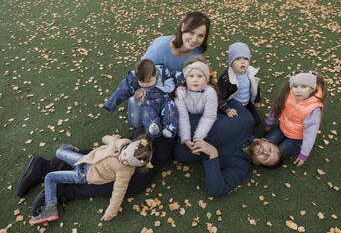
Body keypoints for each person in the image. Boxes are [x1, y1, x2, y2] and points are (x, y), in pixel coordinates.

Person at [16, 135, 176, 216]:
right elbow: (109, 140)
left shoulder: (125, 171)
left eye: (127, 161)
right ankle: (48, 170)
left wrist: (110, 212)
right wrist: (113, 141)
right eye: (125, 155)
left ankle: (56, 185)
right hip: (88, 162)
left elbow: (118, 192)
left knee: (132, 182)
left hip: (88, 174)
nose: (122, 159)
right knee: (67, 153)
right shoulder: (123, 145)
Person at [173, 101, 283, 197]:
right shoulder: (247, 120)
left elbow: (216, 190)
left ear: (257, 162)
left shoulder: (240, 167)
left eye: (266, 158)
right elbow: (224, 97)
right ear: (265, 140)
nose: (265, 152)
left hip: (172, 142)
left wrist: (213, 154)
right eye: (270, 150)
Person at [128, 11, 211, 129]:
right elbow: (140, 73)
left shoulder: (196, 55)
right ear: (183, 27)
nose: (194, 39)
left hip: (172, 92)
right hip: (150, 88)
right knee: (140, 122)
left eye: (200, 35)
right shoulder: (159, 49)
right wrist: (137, 90)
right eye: (191, 32)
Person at [264, 71, 327, 166]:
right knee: (266, 143)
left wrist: (304, 154)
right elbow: (276, 108)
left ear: (311, 89)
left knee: (279, 154)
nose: (298, 90)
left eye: (303, 87)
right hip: (281, 128)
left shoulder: (313, 109)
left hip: (296, 137)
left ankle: (297, 147)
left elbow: (311, 133)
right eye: (295, 86)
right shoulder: (288, 95)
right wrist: (269, 122)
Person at [104, 59, 178, 138]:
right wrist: (110, 103)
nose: (145, 84)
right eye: (142, 82)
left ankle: (169, 129)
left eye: (149, 81)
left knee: (171, 109)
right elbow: (122, 90)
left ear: (156, 74)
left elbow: (174, 74)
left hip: (164, 100)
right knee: (146, 113)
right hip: (148, 102)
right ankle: (153, 127)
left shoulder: (162, 71)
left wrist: (181, 75)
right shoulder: (133, 78)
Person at [175, 57, 218, 150]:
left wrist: (198, 137)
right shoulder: (180, 92)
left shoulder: (210, 92)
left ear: (206, 79)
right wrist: (186, 138)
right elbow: (182, 116)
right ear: (186, 78)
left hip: (204, 117)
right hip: (187, 116)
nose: (195, 80)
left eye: (200, 76)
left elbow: (209, 116)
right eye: (191, 76)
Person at [218, 42, 261, 126]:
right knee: (243, 123)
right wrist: (226, 109)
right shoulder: (226, 78)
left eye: (245, 58)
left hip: (247, 102)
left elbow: (256, 87)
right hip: (234, 103)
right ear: (231, 63)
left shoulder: (250, 73)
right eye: (237, 59)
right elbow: (219, 96)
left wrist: (257, 100)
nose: (242, 62)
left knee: (257, 122)